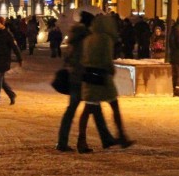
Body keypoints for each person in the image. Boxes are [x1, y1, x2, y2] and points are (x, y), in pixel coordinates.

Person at [56, 11, 115, 153]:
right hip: (84, 77)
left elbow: (69, 57)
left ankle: (63, 142)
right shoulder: (86, 38)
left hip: (75, 76)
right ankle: (96, 140)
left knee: (80, 109)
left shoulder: (75, 36)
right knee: (93, 107)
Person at [79, 14, 134, 152]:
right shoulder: (106, 39)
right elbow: (107, 60)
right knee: (114, 106)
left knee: (88, 109)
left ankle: (82, 139)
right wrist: (111, 71)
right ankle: (121, 135)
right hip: (102, 77)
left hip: (89, 76)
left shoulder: (89, 39)